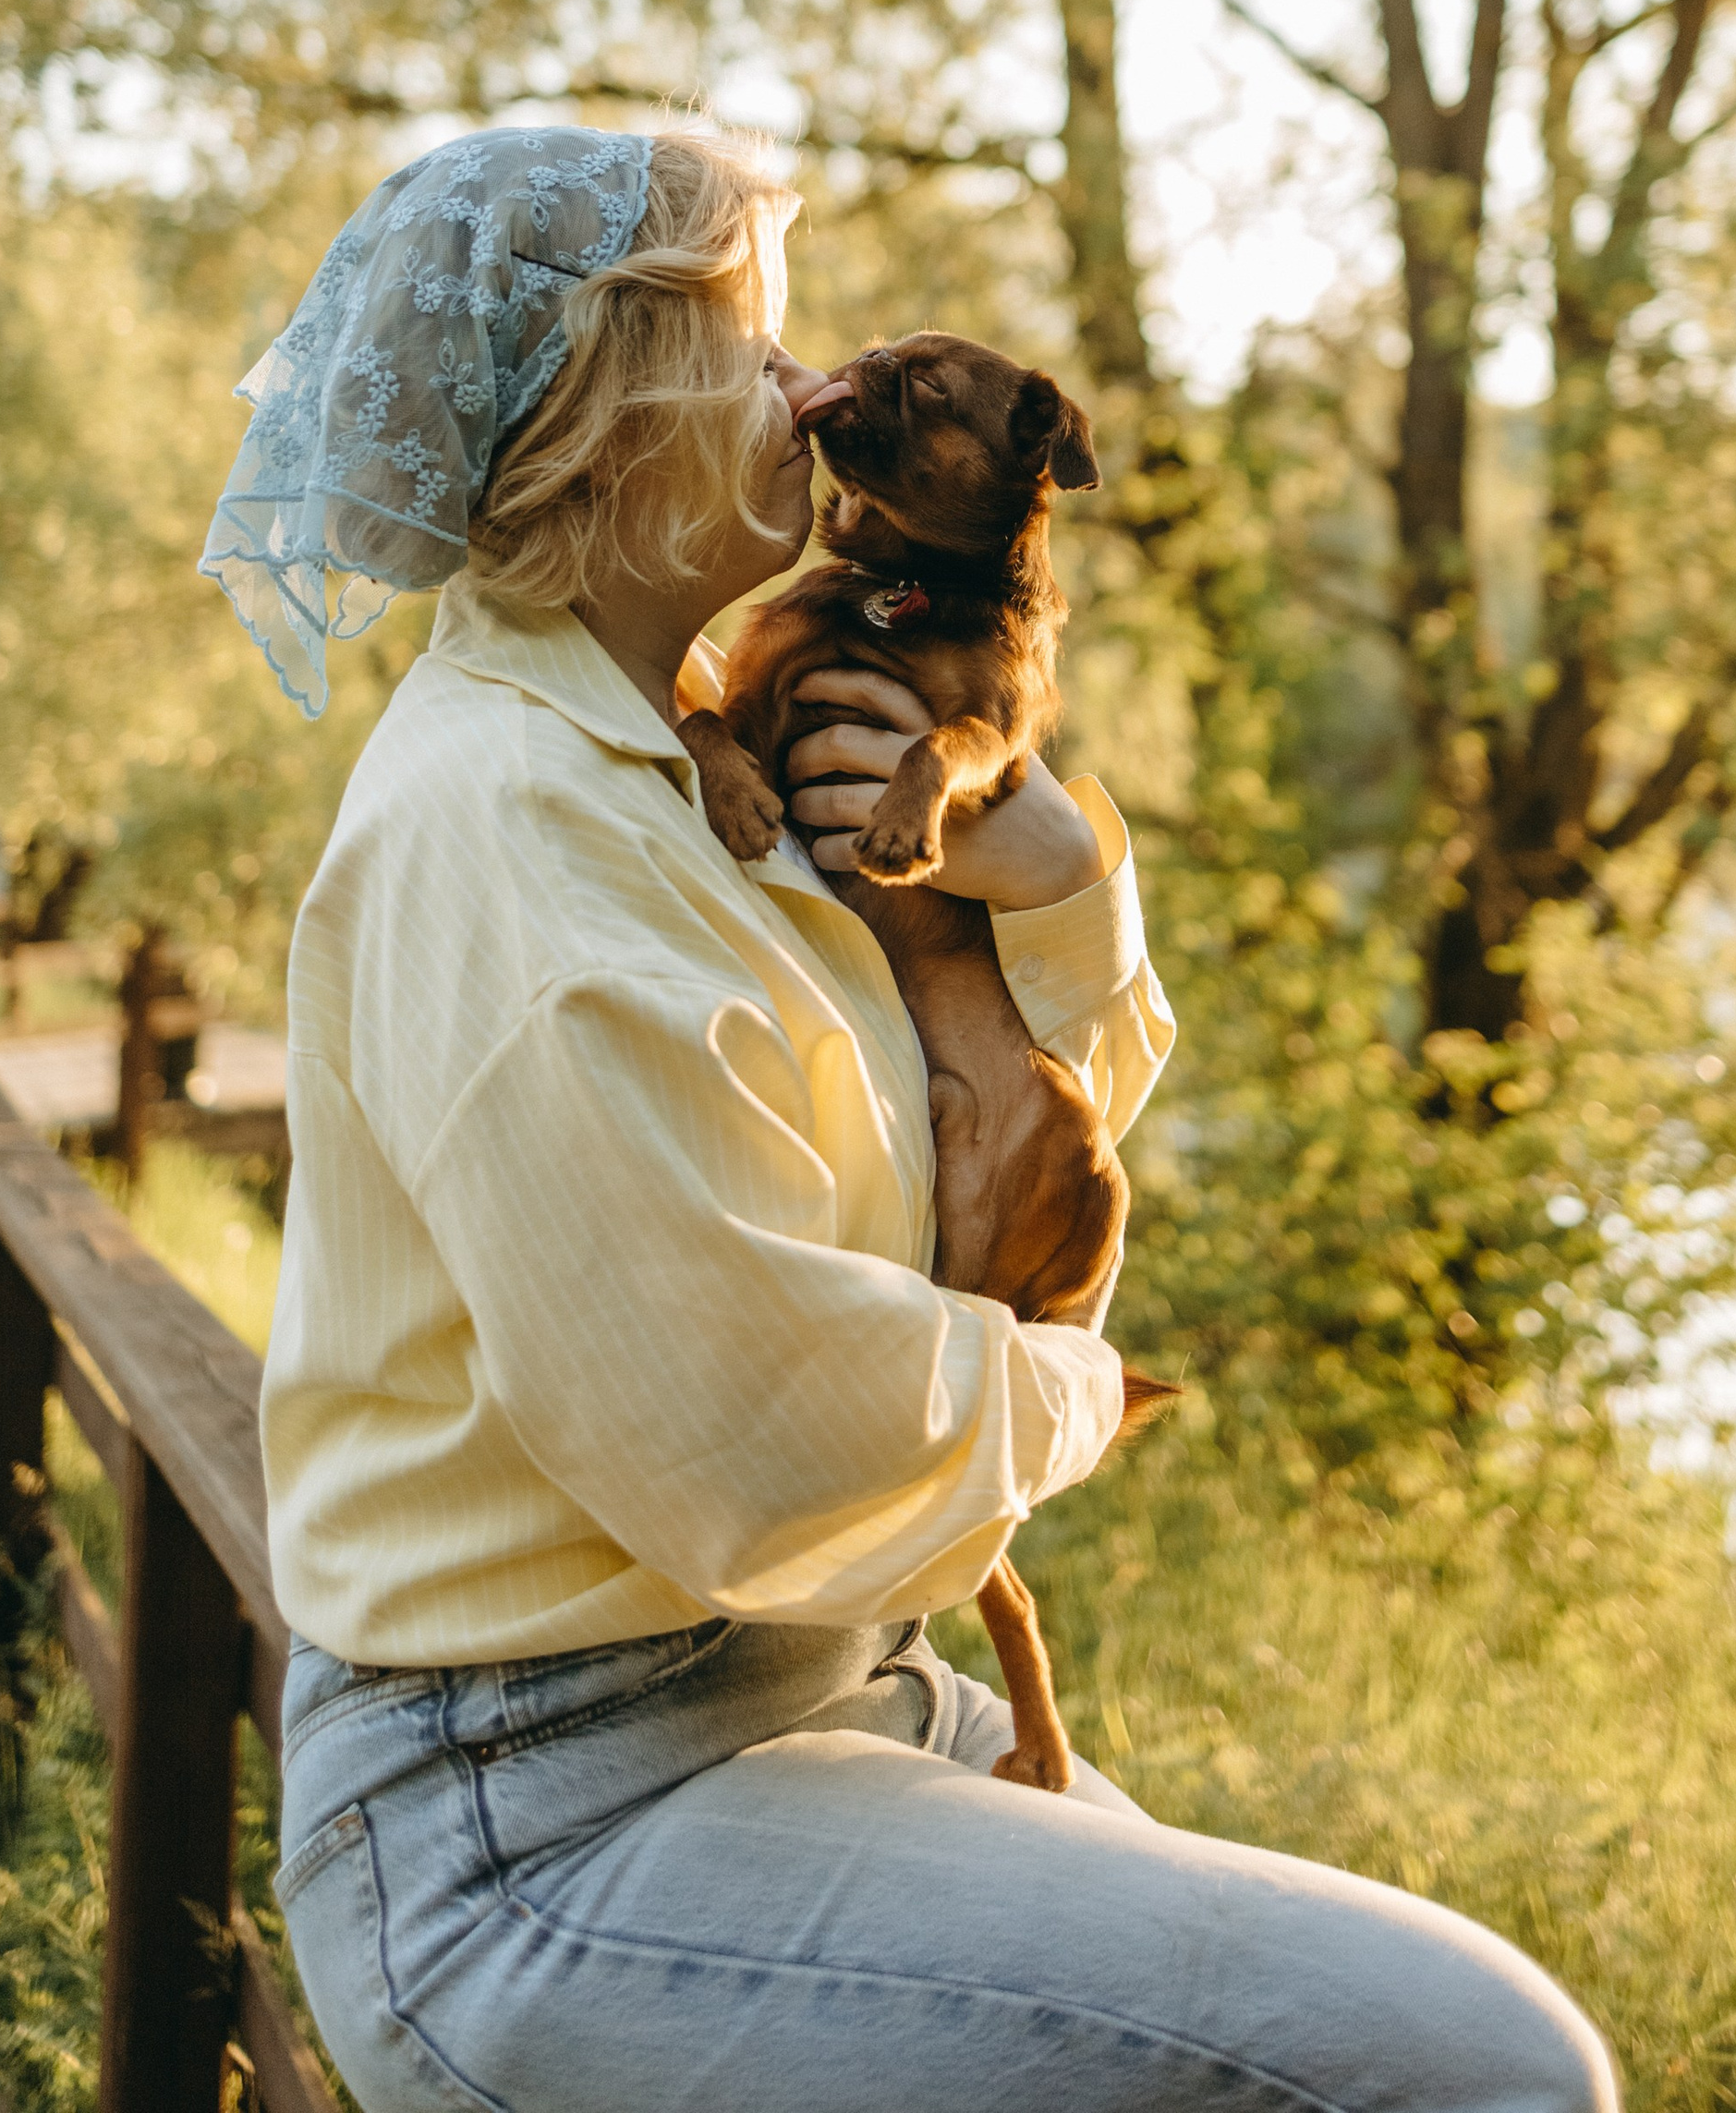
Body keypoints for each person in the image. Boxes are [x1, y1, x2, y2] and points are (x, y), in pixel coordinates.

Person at [204, 124, 1619, 2113]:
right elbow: (752, 1452)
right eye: (753, 348)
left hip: (816, 1694)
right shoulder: (515, 832)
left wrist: (1056, 878)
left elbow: (1000, 1125)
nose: (813, 389)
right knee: (1481, 2066)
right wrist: (1070, 1387)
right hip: (539, 1818)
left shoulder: (677, 762)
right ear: (603, 424)